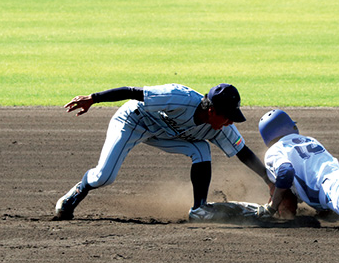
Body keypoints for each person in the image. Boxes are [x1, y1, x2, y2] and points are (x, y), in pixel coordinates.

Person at [54, 83, 271, 220]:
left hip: (163, 135)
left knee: (201, 148)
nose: (230, 122)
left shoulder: (220, 127)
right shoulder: (179, 97)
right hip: (132, 121)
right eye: (228, 116)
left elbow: (243, 152)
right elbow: (132, 92)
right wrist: (94, 98)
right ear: (212, 109)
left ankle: (199, 209)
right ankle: (78, 190)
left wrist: (270, 182)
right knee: (104, 177)